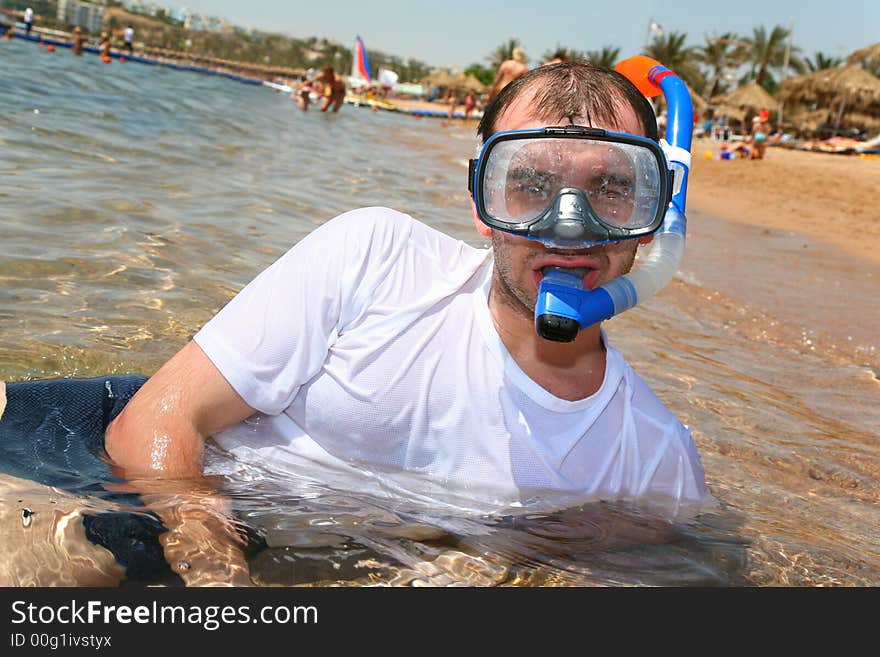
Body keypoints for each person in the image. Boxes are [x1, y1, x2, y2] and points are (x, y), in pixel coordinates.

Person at [1, 62, 708, 583]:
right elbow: (152, 425)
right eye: (529, 182)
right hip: (115, 466)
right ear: (478, 199)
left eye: (612, 188)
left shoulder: (652, 463)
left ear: (655, 216)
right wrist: (220, 579)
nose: (566, 228)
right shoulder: (378, 258)